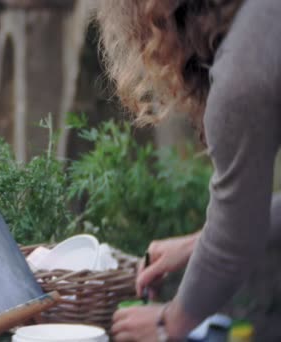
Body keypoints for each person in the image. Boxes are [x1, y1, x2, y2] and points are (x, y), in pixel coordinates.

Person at [96, 0, 281, 340]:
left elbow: (234, 239)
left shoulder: (241, 71)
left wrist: (168, 322)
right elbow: (240, 225)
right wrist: (199, 242)